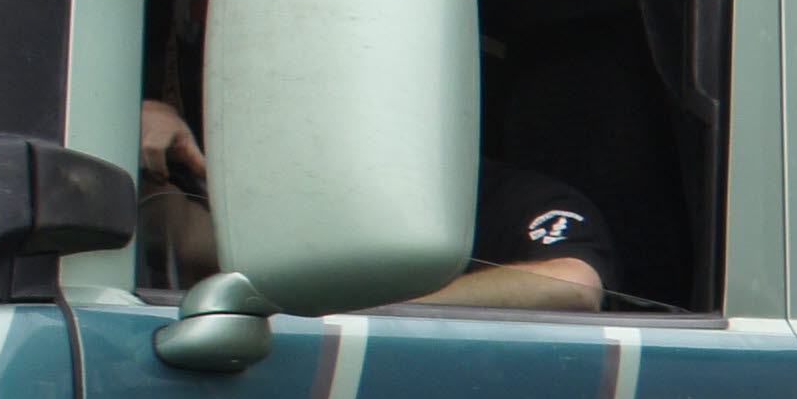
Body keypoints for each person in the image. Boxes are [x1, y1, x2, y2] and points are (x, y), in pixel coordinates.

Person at [136, 97, 620, 311]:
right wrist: (141, 129)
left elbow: (571, 284)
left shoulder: (517, 197)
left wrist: (373, 307)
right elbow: (184, 240)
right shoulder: (320, 193)